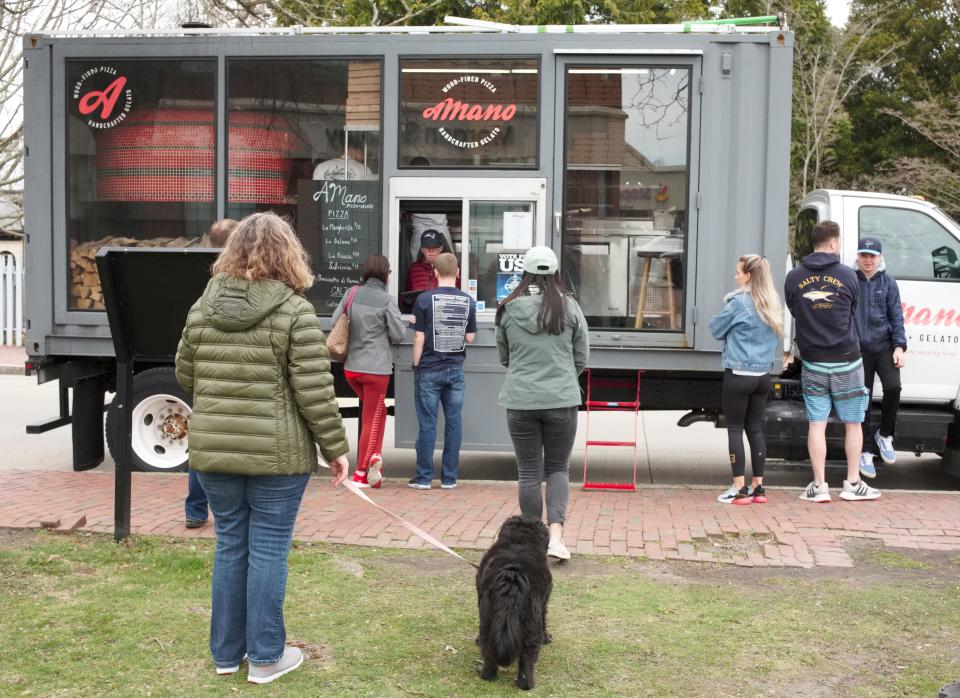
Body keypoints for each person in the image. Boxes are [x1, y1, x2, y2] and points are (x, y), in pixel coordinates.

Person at [175, 211, 350, 684]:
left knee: (231, 546)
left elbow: (185, 373)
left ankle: (227, 656)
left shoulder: (200, 307)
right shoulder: (295, 312)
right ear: (288, 255)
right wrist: (336, 448)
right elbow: (314, 391)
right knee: (268, 550)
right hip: (278, 457)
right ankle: (268, 657)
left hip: (213, 452)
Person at [495, 246, 589, 560]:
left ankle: (534, 539)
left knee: (528, 473)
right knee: (558, 469)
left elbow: (504, 357)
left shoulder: (508, 308)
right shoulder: (570, 307)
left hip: (520, 399)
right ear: (556, 272)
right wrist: (563, 377)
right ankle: (557, 539)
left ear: (526, 272)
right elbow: (581, 356)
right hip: (562, 398)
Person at [783, 220, 880, 503]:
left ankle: (819, 485)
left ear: (813, 243)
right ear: (834, 243)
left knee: (817, 424)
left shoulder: (794, 277)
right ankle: (852, 483)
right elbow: (852, 309)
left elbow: (794, 308)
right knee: (853, 423)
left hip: (813, 361)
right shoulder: (849, 276)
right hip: (847, 360)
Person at [709, 254, 783, 505]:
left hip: (738, 374)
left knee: (735, 428)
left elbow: (716, 328)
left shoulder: (738, 302)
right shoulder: (771, 302)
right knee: (755, 428)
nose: (735, 276)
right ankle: (758, 487)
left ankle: (738, 488)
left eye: (738, 272)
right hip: (762, 376)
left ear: (748, 276)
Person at [330, 254, 406, 488]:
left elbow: (336, 320)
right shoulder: (387, 300)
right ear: (385, 274)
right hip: (376, 371)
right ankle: (361, 473)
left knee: (377, 413)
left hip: (351, 369)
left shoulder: (351, 294)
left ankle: (375, 457)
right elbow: (398, 334)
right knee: (371, 418)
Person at [186, 217, 238, 529]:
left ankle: (194, 510)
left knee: (203, 443)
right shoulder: (231, 279)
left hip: (206, 371)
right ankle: (226, 511)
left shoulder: (200, 275)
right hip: (230, 368)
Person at [409, 252, 476, 490]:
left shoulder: (424, 300)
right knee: (453, 423)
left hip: (428, 369)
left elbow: (419, 336)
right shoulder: (468, 301)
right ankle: (449, 479)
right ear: (458, 273)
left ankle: (424, 478)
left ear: (434, 272)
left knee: (427, 424)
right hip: (455, 369)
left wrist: (416, 364)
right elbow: (470, 337)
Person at [853, 236, 907, 478]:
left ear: (879, 258)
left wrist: (899, 347)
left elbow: (897, 318)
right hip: (859, 350)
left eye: (872, 256)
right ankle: (864, 450)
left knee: (893, 387)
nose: (867, 260)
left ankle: (884, 435)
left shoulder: (889, 282)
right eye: (864, 255)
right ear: (858, 256)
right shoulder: (850, 281)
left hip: (884, 346)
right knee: (862, 400)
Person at [405, 229, 446, 293]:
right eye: (427, 247)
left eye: (434, 247)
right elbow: (408, 297)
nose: (431, 251)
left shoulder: (450, 267)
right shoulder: (414, 269)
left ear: (441, 248)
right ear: (422, 249)